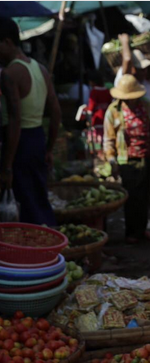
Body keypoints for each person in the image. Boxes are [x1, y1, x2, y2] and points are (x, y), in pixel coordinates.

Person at [0, 18, 60, 225]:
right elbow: (56, 112)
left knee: (25, 204)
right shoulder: (40, 69)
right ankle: (51, 247)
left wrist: (7, 165)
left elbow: (15, 121)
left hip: (19, 143)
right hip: (37, 139)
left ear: (7, 42)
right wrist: (49, 148)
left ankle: (37, 252)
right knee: (38, 199)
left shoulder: (10, 74)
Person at [104, 75, 150, 244]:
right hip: (127, 160)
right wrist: (111, 160)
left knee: (146, 194)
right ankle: (132, 232)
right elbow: (109, 139)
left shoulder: (147, 106)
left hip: (147, 157)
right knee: (132, 197)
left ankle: (142, 229)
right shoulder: (114, 111)